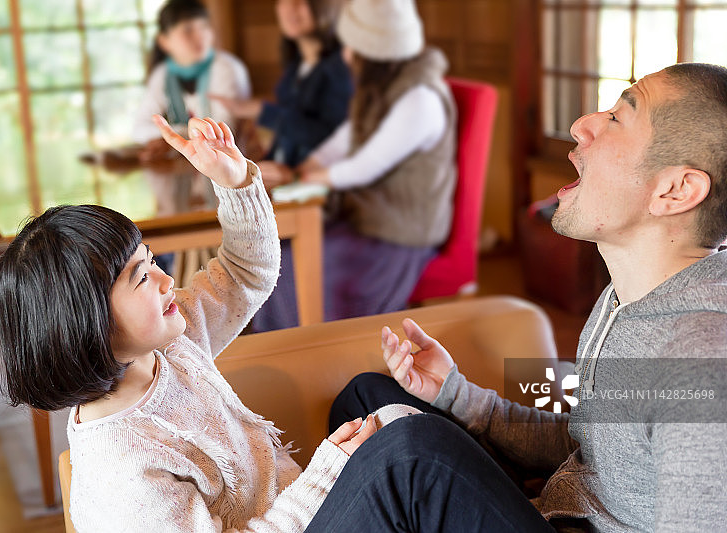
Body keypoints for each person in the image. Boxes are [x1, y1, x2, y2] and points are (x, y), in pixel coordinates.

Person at [312, 63, 727, 531]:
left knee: (407, 459)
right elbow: (588, 448)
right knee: (368, 398)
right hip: (556, 506)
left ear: (675, 190)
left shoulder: (699, 359)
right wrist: (457, 395)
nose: (581, 125)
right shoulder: (624, 300)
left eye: (616, 118)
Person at [0, 116, 380, 532]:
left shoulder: (167, 345)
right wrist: (323, 480)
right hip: (302, 515)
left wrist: (234, 184)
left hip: (298, 510)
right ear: (86, 324)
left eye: (152, 261)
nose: (166, 280)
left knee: (378, 403)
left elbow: (246, 273)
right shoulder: (122, 469)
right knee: (408, 451)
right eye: (141, 277)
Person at [252, 0, 457, 331]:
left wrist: (299, 176)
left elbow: (366, 166)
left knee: (288, 267)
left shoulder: (421, 98)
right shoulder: (382, 86)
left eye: (352, 48)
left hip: (398, 234)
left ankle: (310, 354)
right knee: (278, 250)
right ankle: (287, 348)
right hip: (367, 220)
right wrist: (306, 165)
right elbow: (345, 138)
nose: (346, 55)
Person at [133, 0, 251, 275]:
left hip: (228, 184)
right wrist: (179, 134)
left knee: (196, 245)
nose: (200, 37)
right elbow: (140, 128)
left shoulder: (226, 68)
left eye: (204, 28)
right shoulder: (163, 75)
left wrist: (170, 134)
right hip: (185, 182)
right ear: (164, 41)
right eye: (188, 30)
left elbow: (222, 129)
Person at [211, 0, 352, 170]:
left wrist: (263, 111)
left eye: (301, 1)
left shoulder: (341, 68)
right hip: (287, 176)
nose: (290, 7)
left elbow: (334, 139)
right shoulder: (296, 65)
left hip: (316, 179)